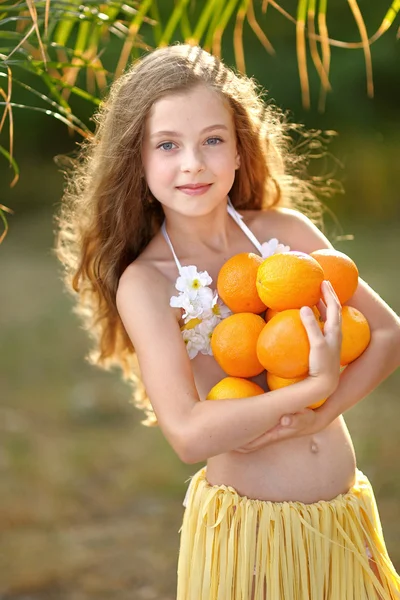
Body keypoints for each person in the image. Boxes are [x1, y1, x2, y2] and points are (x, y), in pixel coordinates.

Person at [56, 44, 400, 599]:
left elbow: (388, 333)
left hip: (344, 517)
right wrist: (312, 388)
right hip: (253, 538)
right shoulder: (147, 285)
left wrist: (321, 414)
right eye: (167, 145)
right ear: (136, 161)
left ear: (241, 150)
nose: (193, 162)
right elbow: (189, 434)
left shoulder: (285, 237)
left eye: (213, 140)